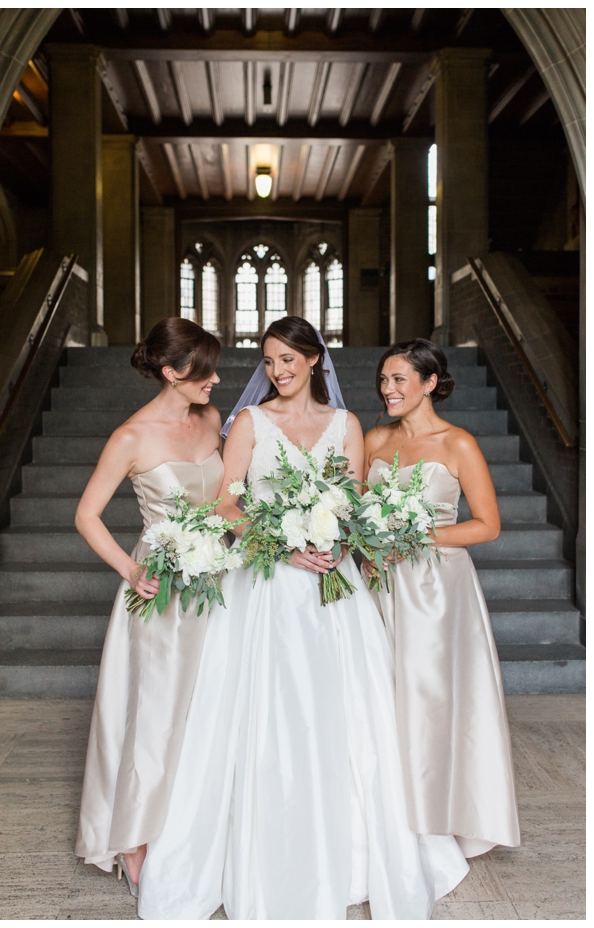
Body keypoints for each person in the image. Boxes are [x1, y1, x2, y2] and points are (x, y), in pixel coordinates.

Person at [137, 317, 469, 920]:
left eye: (288, 360)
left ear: (316, 360)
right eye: (268, 361)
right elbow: (226, 501)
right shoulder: (249, 423)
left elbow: (355, 500)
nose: (277, 372)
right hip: (264, 584)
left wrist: (339, 541)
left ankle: (354, 853)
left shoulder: (346, 426)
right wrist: (283, 543)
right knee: (259, 712)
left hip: (332, 586)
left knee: (343, 713)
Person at [73, 318, 225, 897]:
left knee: (209, 705)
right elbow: (87, 515)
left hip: (219, 577)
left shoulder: (211, 419)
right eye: (203, 369)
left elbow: (232, 496)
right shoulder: (131, 437)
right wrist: (130, 568)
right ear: (171, 372)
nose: (214, 380)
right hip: (161, 586)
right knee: (156, 712)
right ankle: (135, 843)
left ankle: (198, 832)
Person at [364, 339, 521, 858]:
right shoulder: (373, 441)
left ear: (430, 383)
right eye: (384, 380)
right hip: (381, 583)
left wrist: (417, 537)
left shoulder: (458, 444)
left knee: (433, 696)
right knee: (382, 694)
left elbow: (488, 525)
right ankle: (389, 817)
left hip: (437, 591)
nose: (388, 389)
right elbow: (356, 512)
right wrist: (369, 548)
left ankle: (439, 815)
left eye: (400, 380)